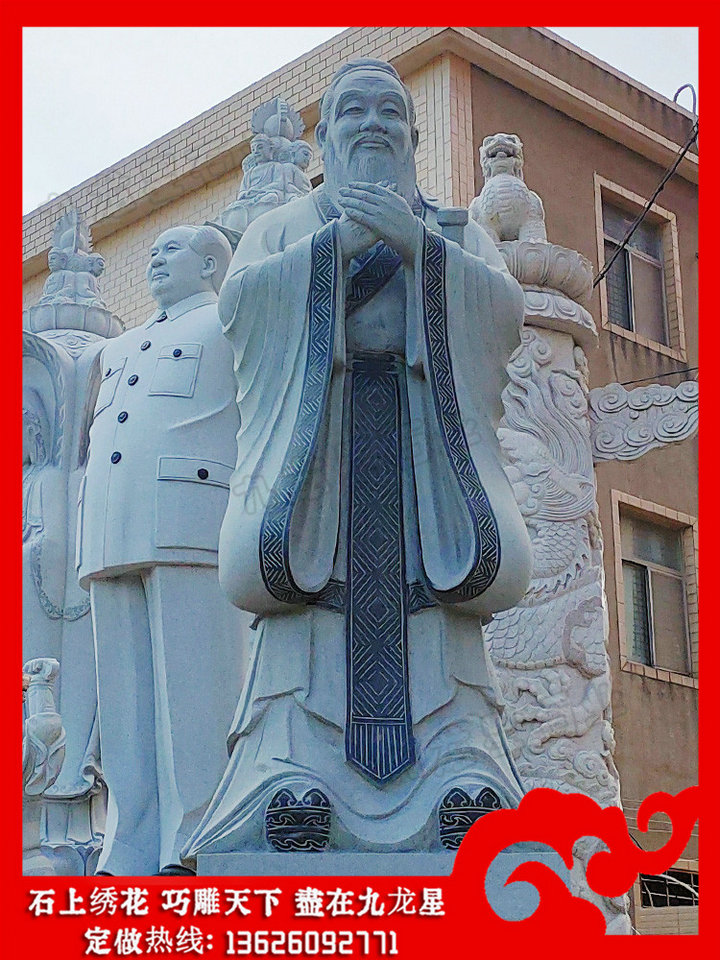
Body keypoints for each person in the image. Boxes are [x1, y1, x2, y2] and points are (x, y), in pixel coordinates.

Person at [183, 59, 532, 863]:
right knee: (308, 625)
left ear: (413, 134)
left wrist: (418, 248)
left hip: (423, 455)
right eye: (352, 110)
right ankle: (291, 778)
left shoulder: (457, 232)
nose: (372, 123)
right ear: (325, 135)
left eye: (388, 111)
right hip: (320, 453)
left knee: (436, 620)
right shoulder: (283, 228)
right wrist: (334, 247)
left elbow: (502, 314)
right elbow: (241, 310)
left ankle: (459, 775)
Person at [77, 224, 249, 875]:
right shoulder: (116, 349)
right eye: (152, 250)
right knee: (123, 700)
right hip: (110, 523)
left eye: (171, 249)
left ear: (210, 264)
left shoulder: (229, 320)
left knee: (193, 689)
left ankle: (193, 836)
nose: (155, 258)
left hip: (190, 517)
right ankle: (128, 840)